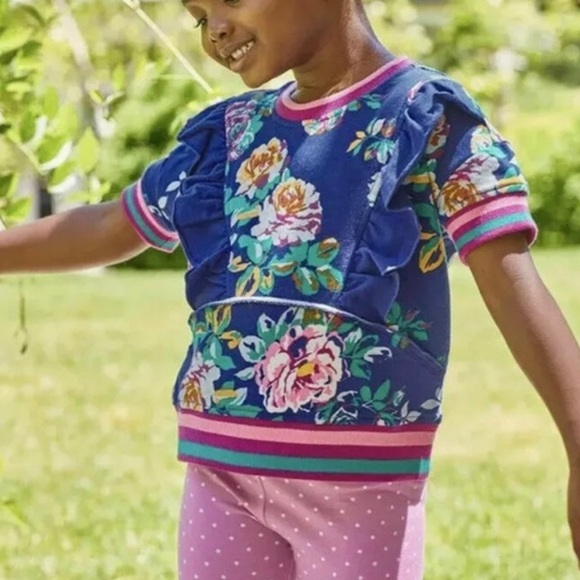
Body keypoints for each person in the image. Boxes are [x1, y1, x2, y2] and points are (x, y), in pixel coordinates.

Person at [1, 0, 579, 578]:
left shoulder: (425, 117)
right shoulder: (226, 135)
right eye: (199, 17)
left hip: (360, 487)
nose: (215, 29)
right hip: (220, 473)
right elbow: (115, 224)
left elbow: (512, 287)